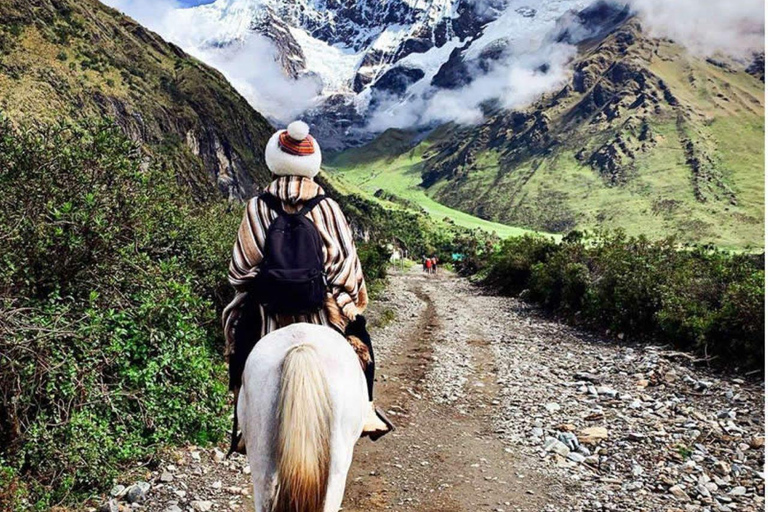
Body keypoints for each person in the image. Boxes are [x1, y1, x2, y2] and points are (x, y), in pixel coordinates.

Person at [222, 121, 393, 454]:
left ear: (275, 159)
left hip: (268, 311)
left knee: (242, 347)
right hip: (323, 312)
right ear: (312, 163)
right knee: (364, 341)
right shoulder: (328, 207)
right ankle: (368, 409)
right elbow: (347, 268)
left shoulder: (257, 207)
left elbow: (240, 270)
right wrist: (345, 302)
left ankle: (243, 420)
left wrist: (259, 287)